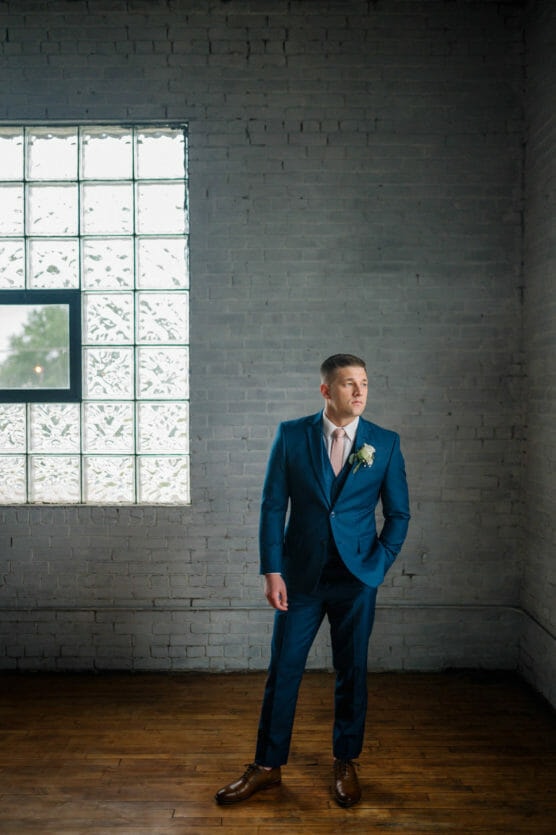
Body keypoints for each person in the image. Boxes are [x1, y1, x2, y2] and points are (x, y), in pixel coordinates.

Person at [215, 353, 410, 807]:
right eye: (348, 384)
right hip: (299, 579)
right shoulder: (291, 435)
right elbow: (271, 506)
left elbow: (398, 514)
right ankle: (266, 766)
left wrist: (377, 565)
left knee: (352, 671)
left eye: (363, 382)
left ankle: (345, 760)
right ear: (326, 390)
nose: (359, 392)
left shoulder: (385, 442)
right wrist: (272, 570)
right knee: (283, 670)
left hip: (356, 578)